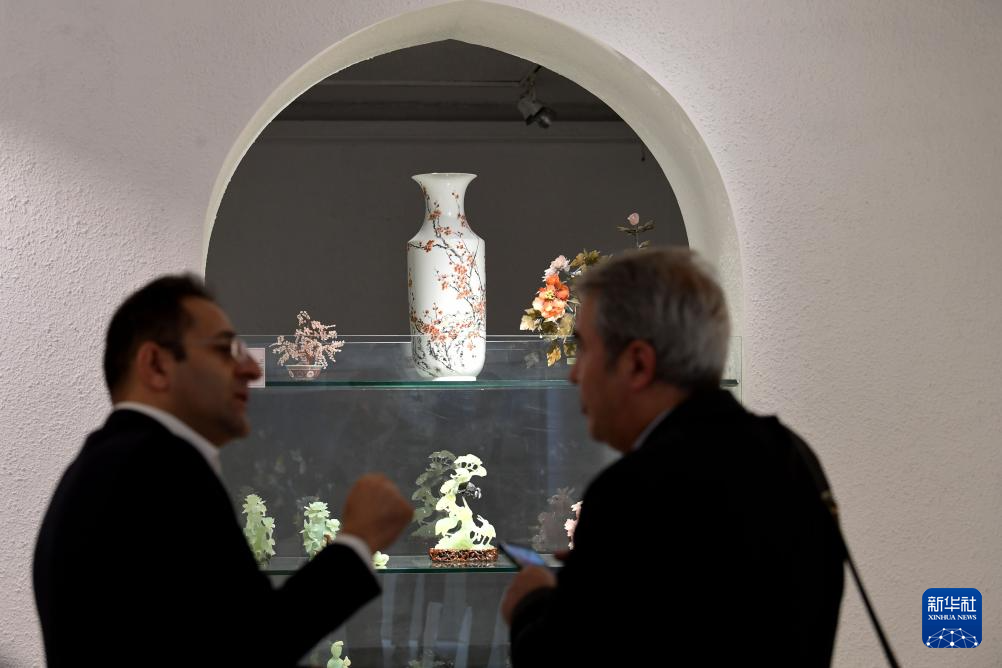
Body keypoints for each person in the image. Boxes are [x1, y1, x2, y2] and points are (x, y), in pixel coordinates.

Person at [33, 275, 413, 667]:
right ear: (157, 365)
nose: (249, 367)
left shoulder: (104, 465)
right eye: (224, 349)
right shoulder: (160, 465)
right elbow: (251, 646)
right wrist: (358, 540)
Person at [501, 248, 844, 666]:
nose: (574, 374)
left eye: (584, 348)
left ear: (638, 364)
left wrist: (532, 603)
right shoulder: (794, 457)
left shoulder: (631, 492)